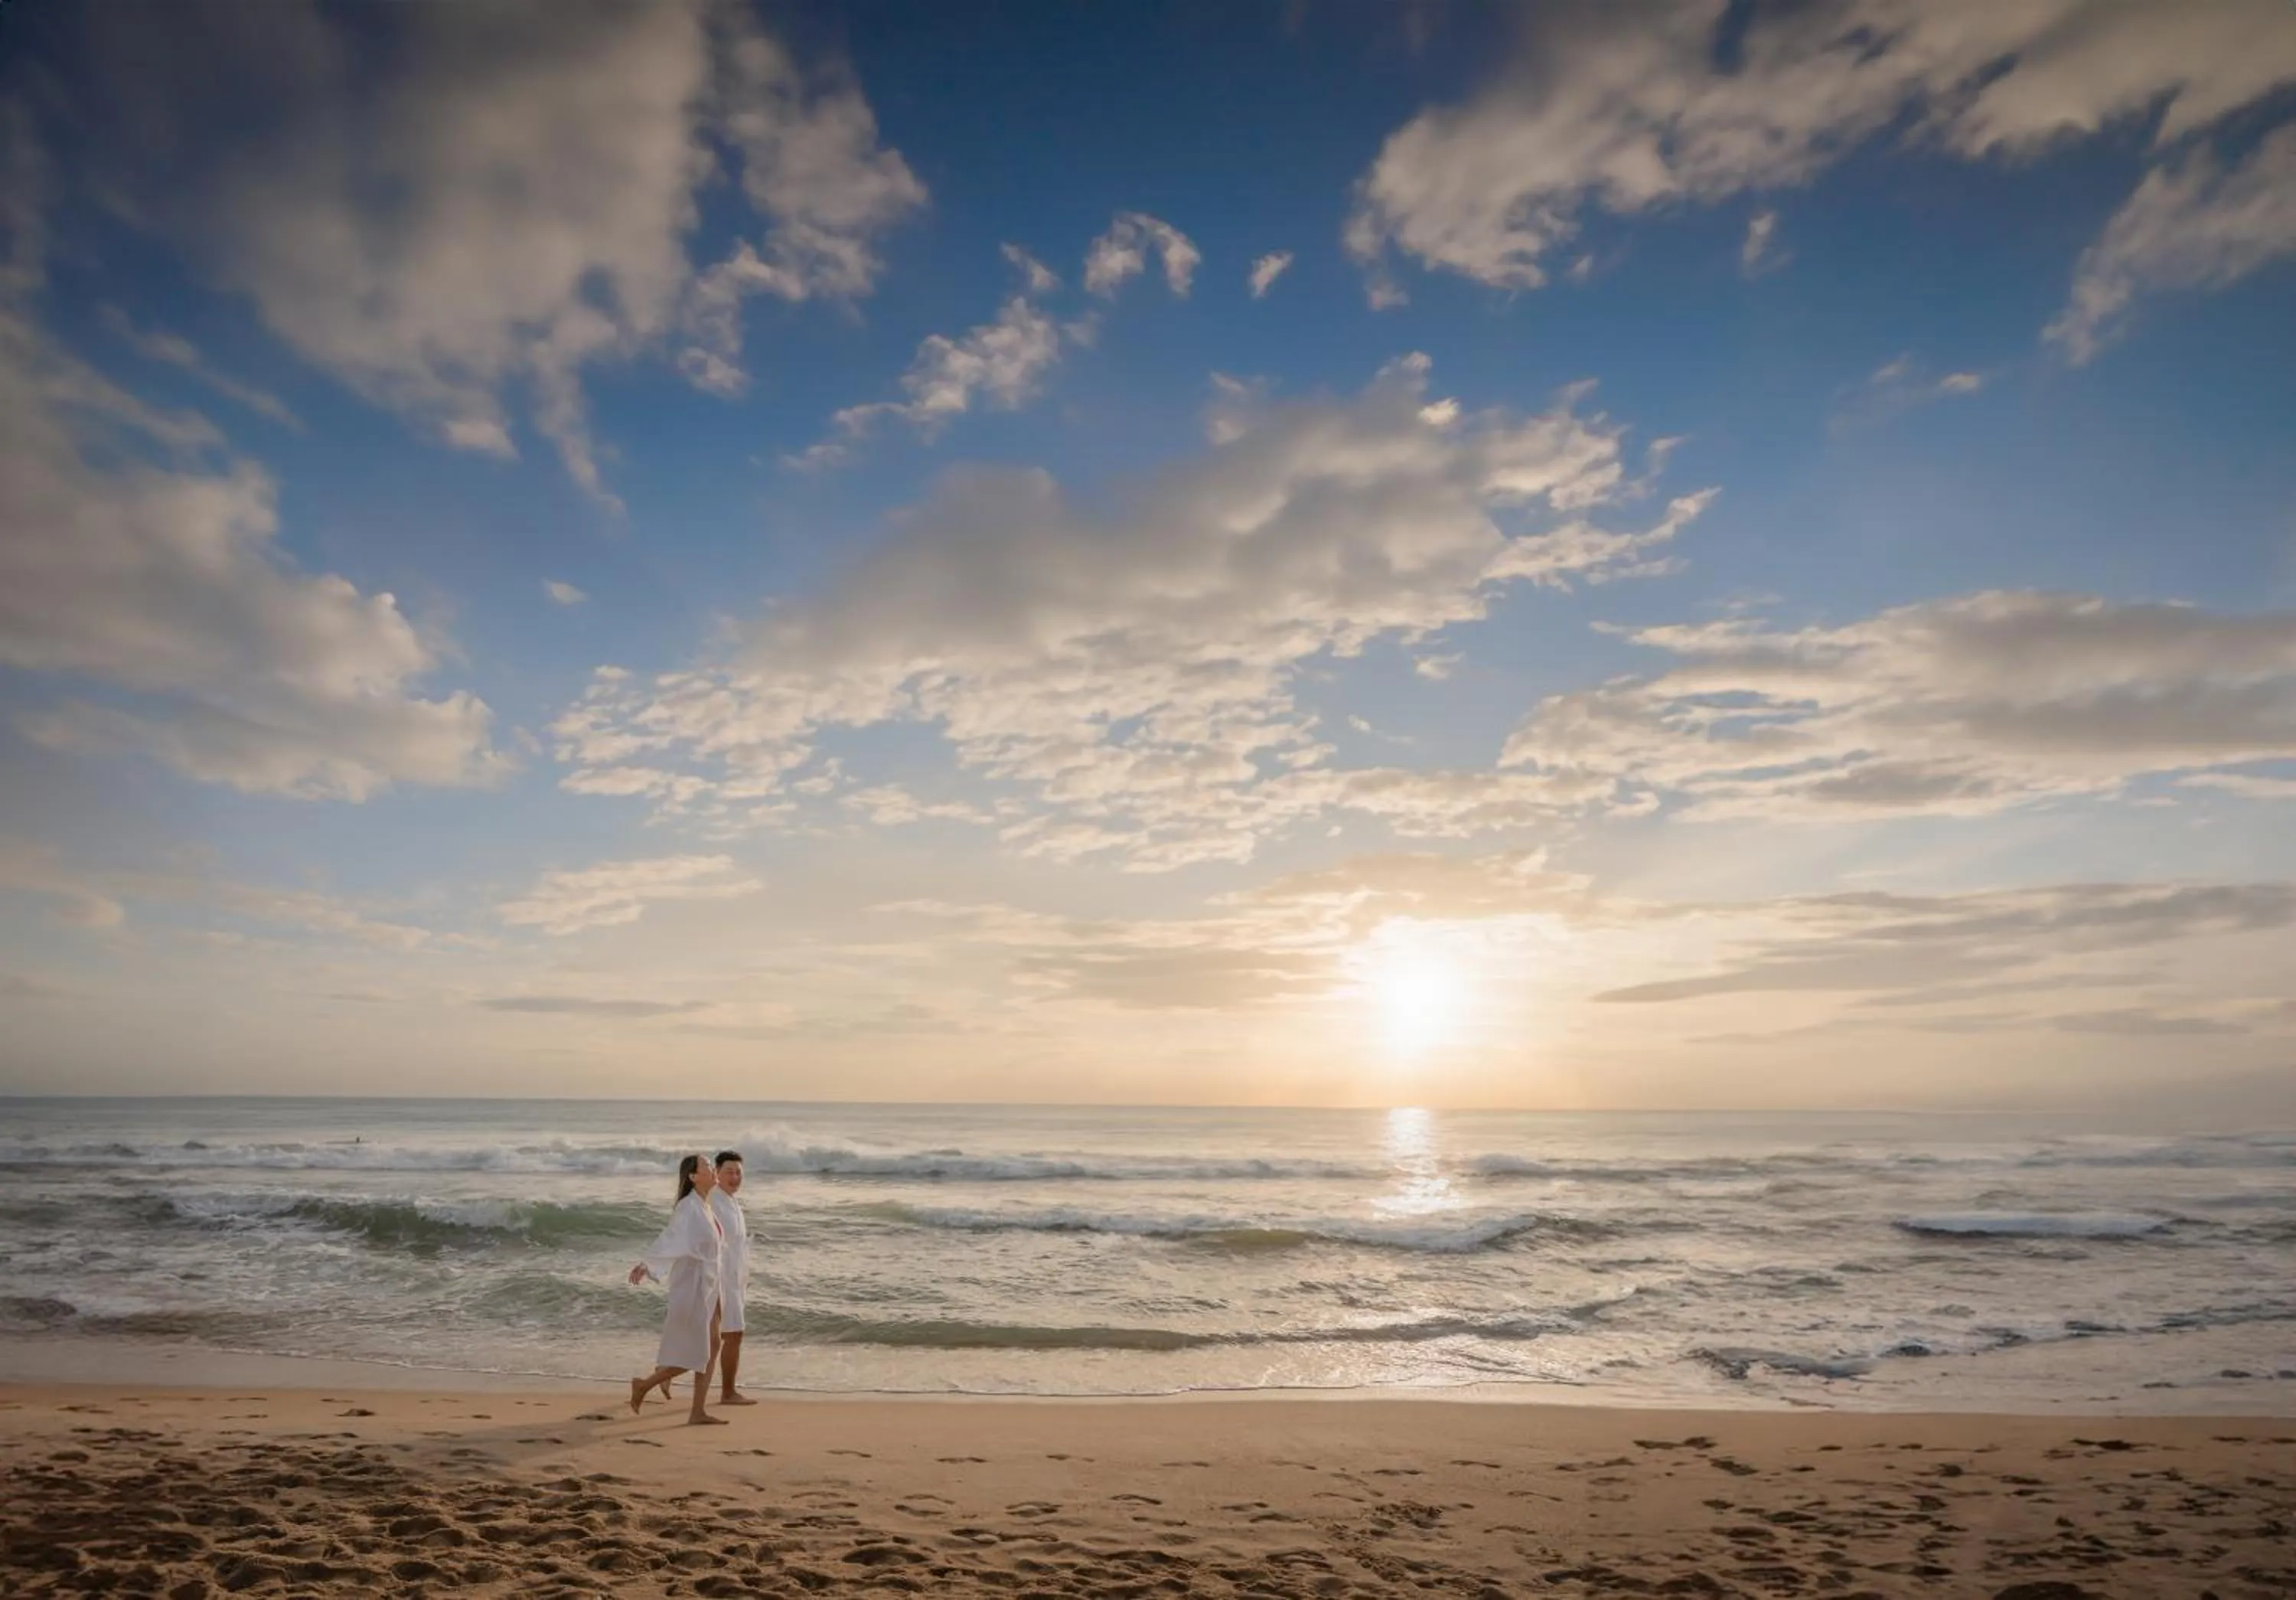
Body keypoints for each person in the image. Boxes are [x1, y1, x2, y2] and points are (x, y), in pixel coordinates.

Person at [626, 1154, 728, 1425]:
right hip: (694, 1286)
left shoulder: (706, 1206)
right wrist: (646, 1265)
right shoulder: (688, 1207)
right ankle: (645, 1385)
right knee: (700, 1353)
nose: (712, 1169)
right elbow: (670, 1239)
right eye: (707, 1166)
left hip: (711, 1284)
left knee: (715, 1344)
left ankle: (697, 1411)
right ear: (694, 1177)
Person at [709, 1149, 756, 1406]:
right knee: (731, 1336)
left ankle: (661, 1374)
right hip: (719, 1281)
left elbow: (738, 1246)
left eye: (738, 1172)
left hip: (734, 1282)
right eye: (729, 1171)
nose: (735, 1176)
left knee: (719, 1338)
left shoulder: (732, 1202)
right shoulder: (712, 1201)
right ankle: (728, 1393)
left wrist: (745, 1275)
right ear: (716, 1173)